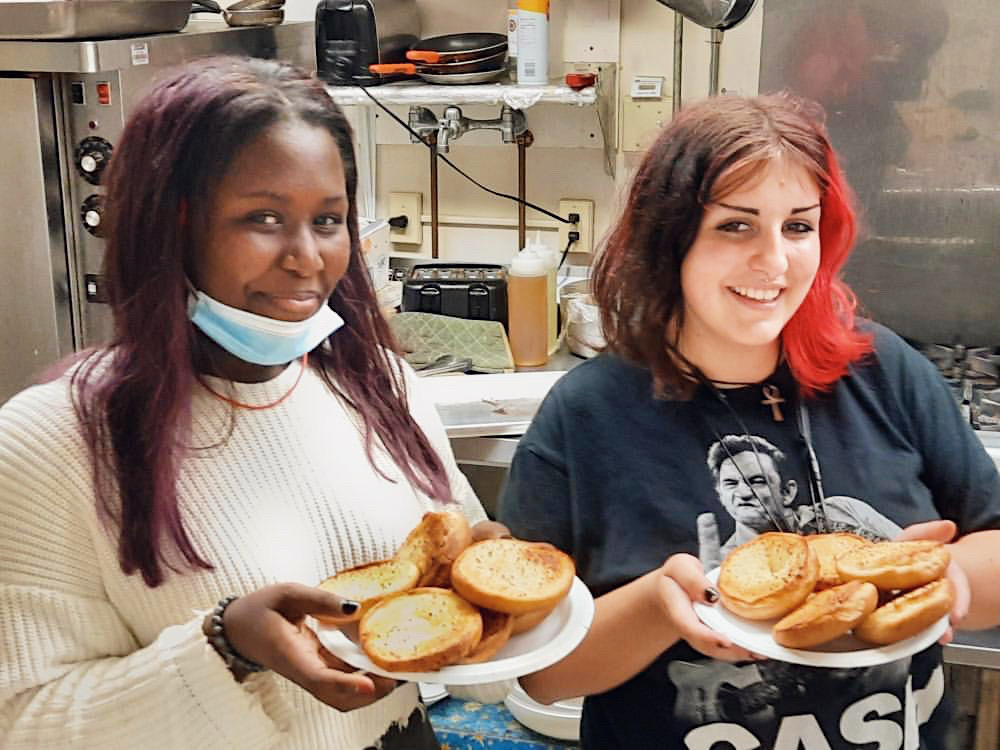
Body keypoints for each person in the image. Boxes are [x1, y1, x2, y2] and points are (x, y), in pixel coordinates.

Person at [0, 57, 504, 749]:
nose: (306, 258)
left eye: (327, 220)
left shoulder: (380, 386)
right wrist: (226, 645)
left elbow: (474, 637)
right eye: (262, 219)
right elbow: (24, 722)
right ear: (168, 225)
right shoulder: (52, 441)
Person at [497, 93, 1000, 749]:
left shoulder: (884, 373)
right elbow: (540, 673)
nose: (774, 260)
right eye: (735, 226)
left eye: (798, 226)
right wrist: (657, 609)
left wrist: (947, 577)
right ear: (668, 237)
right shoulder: (589, 416)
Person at [697, 434, 901, 569]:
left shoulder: (843, 510)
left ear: (787, 492)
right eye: (731, 484)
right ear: (720, 494)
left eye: (757, 481)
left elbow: (909, 551)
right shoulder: (727, 565)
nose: (743, 492)